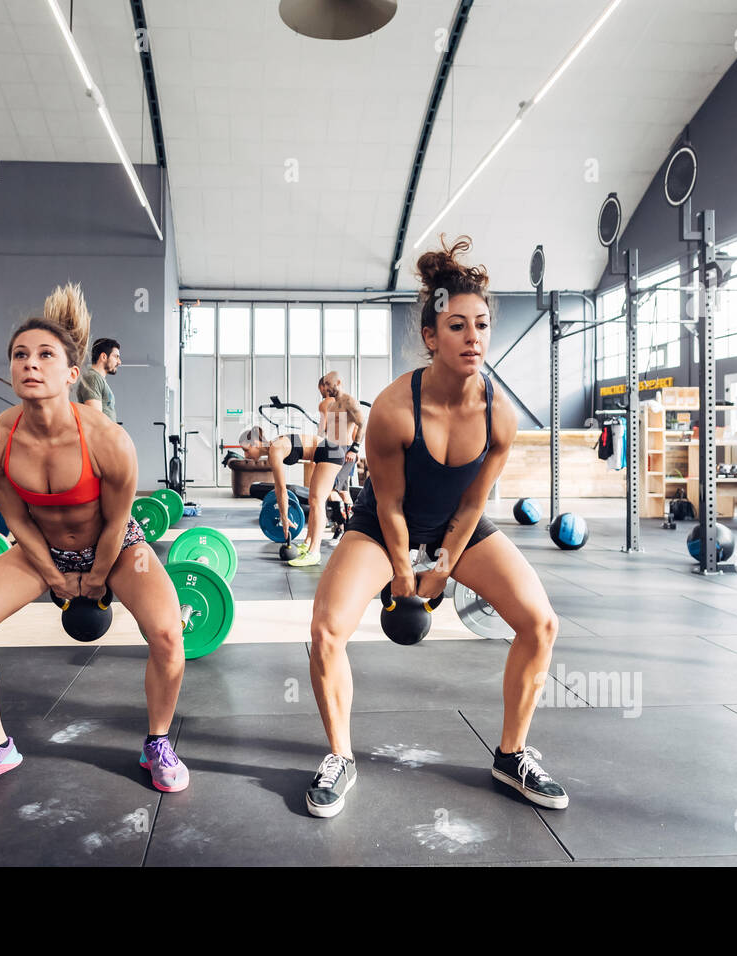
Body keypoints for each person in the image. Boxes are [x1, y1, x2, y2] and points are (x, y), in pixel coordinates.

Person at [303, 235, 565, 819]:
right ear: (430, 337)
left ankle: (512, 754)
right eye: (456, 326)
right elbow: (390, 504)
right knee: (325, 630)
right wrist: (404, 575)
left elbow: (473, 500)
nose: (473, 337)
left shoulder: (501, 413)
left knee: (541, 622)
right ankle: (340, 757)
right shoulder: (396, 408)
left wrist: (442, 565)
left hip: (455, 525)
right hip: (381, 526)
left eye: (481, 325)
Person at [0, 284, 187, 800]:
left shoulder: (107, 439)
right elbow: (14, 518)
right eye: (20, 355)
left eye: (45, 355)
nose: (31, 363)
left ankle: (158, 743)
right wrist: (52, 575)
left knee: (166, 633)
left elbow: (119, 521)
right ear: (11, 370)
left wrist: (95, 578)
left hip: (116, 548)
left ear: (72, 374)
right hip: (41, 549)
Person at [238, 415, 349, 568]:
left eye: (246, 450)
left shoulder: (275, 450)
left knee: (317, 501)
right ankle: (308, 542)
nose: (246, 456)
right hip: (323, 454)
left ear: (255, 443)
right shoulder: (275, 446)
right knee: (313, 500)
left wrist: (284, 517)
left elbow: (281, 489)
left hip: (330, 453)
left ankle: (314, 553)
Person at [319, 371, 363, 526]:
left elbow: (362, 424)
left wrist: (354, 449)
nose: (325, 388)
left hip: (346, 452)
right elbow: (329, 430)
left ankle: (345, 524)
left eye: (328, 384)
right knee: (343, 491)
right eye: (324, 384)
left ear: (337, 383)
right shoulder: (332, 405)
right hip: (332, 450)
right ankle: (343, 527)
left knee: (331, 487)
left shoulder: (349, 401)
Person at [75, 337, 121, 422]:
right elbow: (96, 419)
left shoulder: (98, 379)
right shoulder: (93, 378)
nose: (119, 362)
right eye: (116, 357)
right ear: (103, 357)